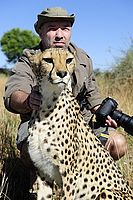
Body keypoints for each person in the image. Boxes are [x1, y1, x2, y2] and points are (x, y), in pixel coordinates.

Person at [4, 6, 127, 192]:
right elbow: (13, 92)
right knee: (36, 152)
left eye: (65, 28)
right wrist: (28, 101)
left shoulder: (81, 57)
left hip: (78, 127)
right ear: (41, 31)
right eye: (52, 28)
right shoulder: (32, 58)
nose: (59, 34)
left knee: (117, 143)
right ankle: (39, 181)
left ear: (70, 32)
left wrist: (106, 113)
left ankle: (87, 183)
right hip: (41, 125)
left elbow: (93, 97)